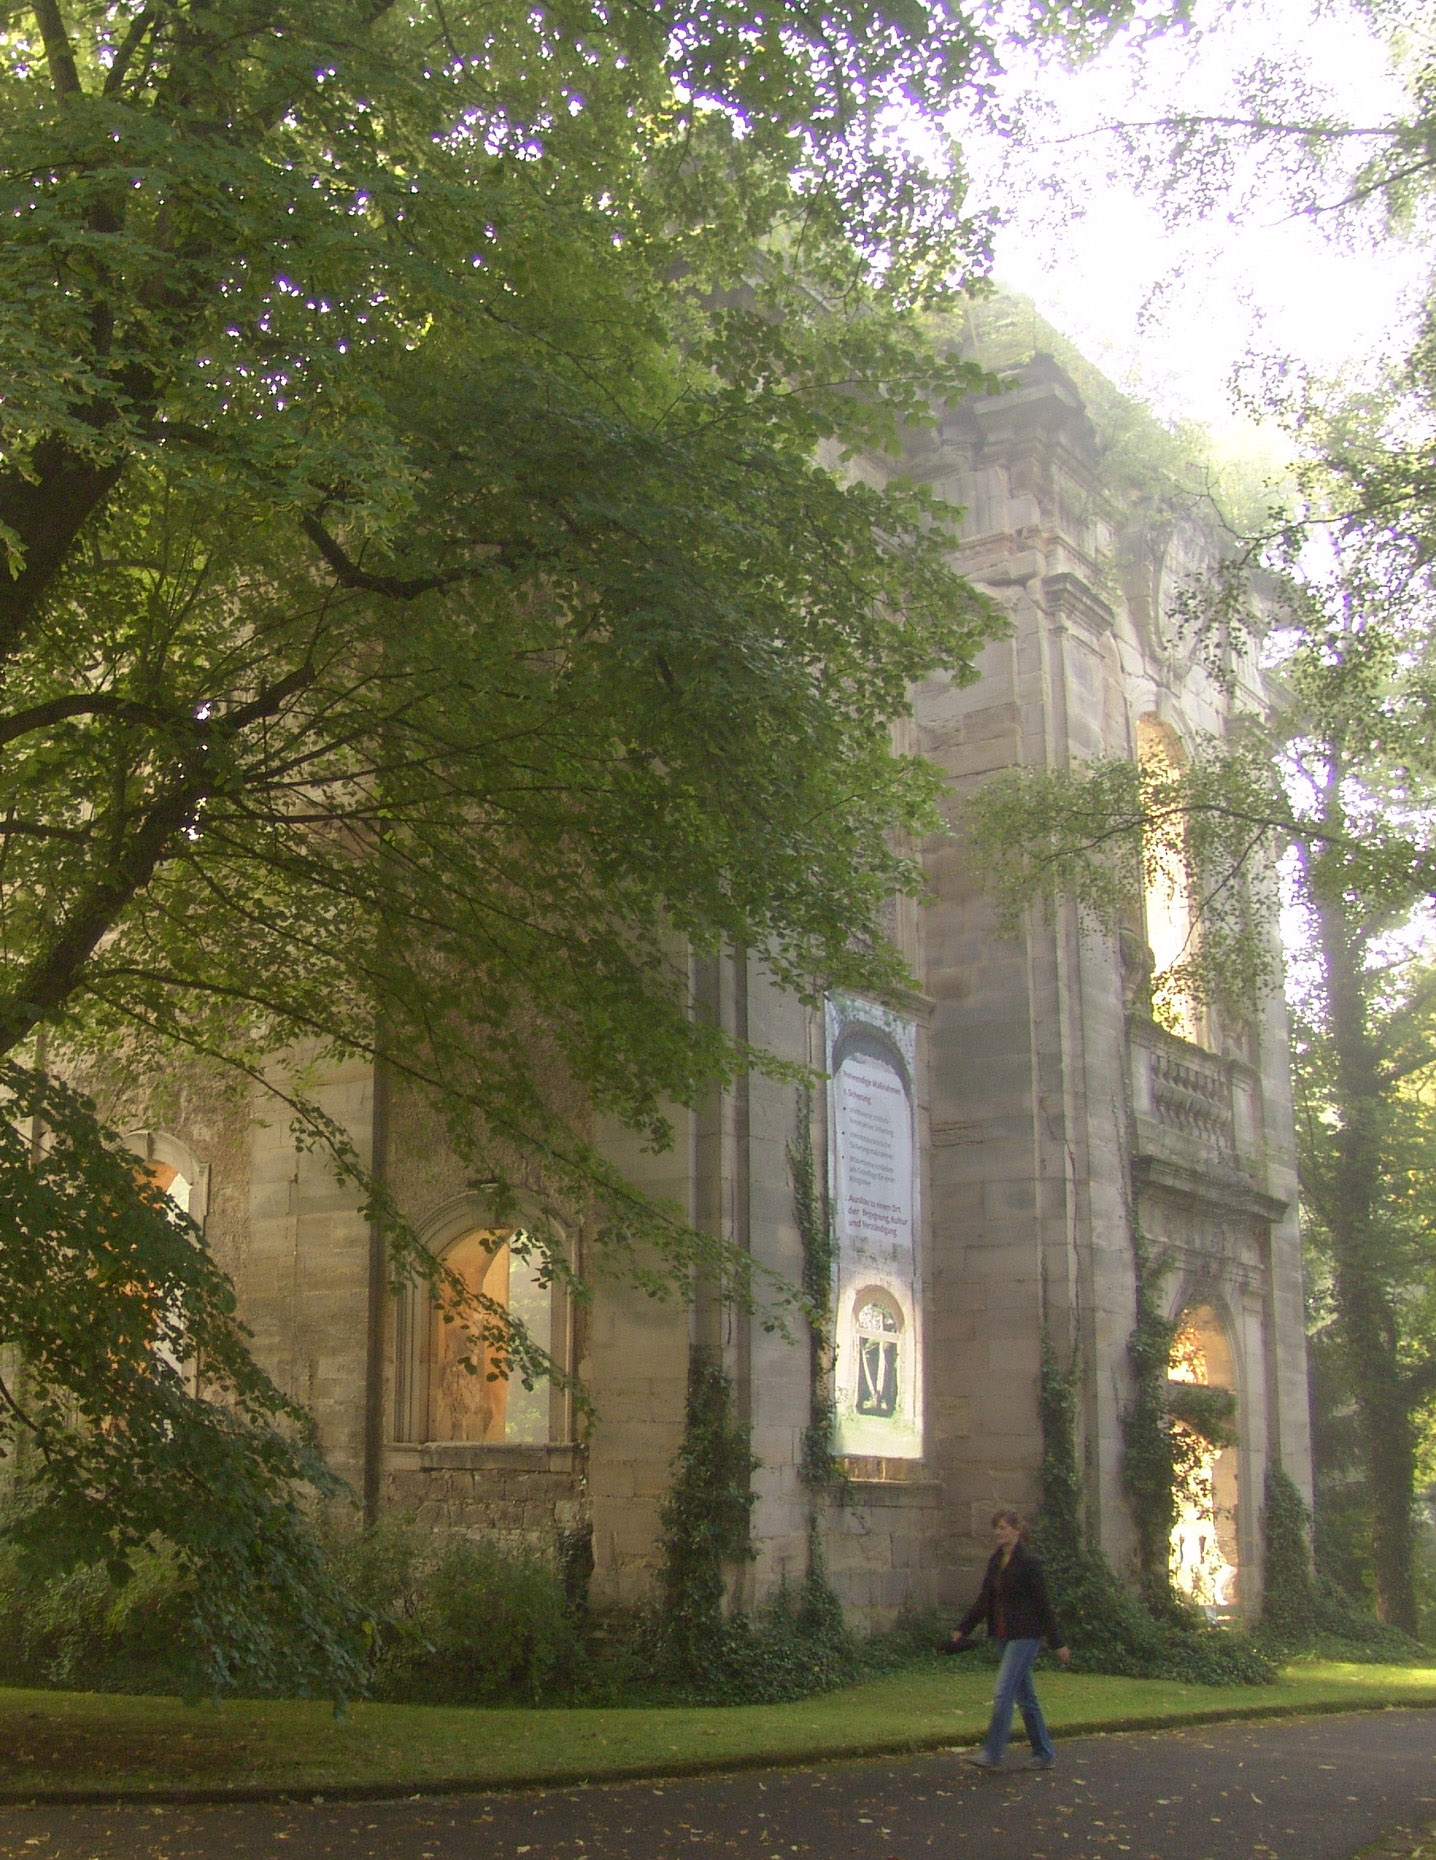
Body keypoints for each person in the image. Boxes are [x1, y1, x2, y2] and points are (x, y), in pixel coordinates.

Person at [947, 1508, 1070, 1770]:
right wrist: (963, 1629)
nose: (999, 1533)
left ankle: (992, 1753)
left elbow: (1043, 1604)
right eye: (996, 1528)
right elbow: (985, 1599)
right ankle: (1044, 1753)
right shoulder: (995, 1561)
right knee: (1025, 1697)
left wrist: (1057, 1642)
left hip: (1025, 1635)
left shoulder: (1028, 1562)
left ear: (1017, 1530)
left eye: (1003, 1528)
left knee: (1003, 1693)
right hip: (1002, 1635)